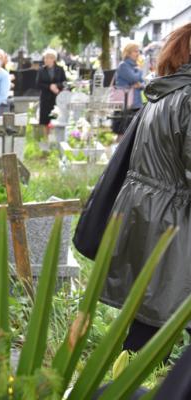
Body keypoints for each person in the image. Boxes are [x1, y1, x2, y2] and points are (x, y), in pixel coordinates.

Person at [99, 23, 191, 356]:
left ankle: (125, 380)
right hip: (172, 218)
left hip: (148, 210)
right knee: (153, 319)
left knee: (149, 314)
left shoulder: (165, 92)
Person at [112, 42, 145, 135]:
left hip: (136, 104)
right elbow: (133, 78)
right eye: (135, 51)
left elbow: (143, 83)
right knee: (122, 132)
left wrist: (140, 85)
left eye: (138, 51)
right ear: (128, 53)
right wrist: (139, 70)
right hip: (125, 103)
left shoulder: (135, 66)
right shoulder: (123, 65)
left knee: (133, 133)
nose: (138, 53)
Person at [36, 48, 66, 135]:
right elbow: (38, 84)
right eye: (45, 58)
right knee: (45, 120)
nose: (46, 60)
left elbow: (64, 82)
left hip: (56, 97)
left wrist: (57, 86)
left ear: (53, 59)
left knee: (56, 117)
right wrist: (49, 86)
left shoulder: (60, 69)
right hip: (45, 98)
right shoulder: (41, 70)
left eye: (49, 57)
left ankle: (55, 138)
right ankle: (46, 139)